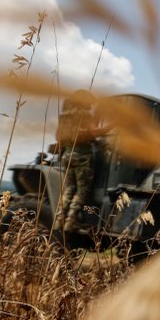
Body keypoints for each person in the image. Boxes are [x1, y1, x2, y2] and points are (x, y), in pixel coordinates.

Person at [54, 89, 108, 233]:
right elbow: (95, 132)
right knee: (81, 190)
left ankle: (59, 221)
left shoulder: (64, 116)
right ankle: (70, 222)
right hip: (82, 155)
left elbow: (58, 136)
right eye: (89, 103)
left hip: (67, 154)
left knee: (69, 189)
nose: (90, 106)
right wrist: (112, 126)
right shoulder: (84, 114)